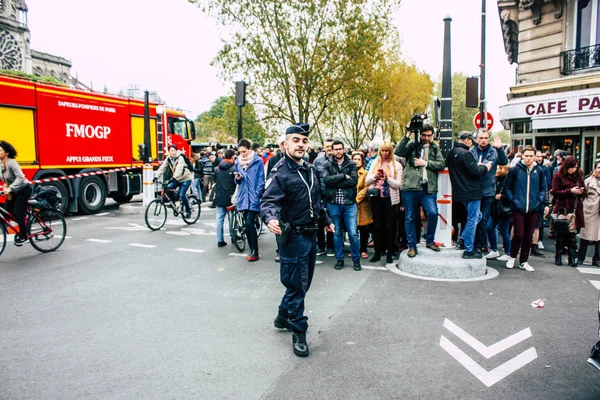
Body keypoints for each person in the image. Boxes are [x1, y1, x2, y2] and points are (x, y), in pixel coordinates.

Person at [261, 122, 334, 358]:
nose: (300, 145)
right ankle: (298, 330)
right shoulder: (280, 172)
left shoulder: (309, 169)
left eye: (303, 141)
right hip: (293, 237)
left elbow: (316, 201)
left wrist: (326, 220)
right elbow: (268, 201)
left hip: (311, 234)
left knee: (302, 283)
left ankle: (283, 316)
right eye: (296, 140)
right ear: (285, 144)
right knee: (297, 285)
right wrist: (271, 218)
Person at [395, 123, 446, 258]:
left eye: (429, 135)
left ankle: (429, 240)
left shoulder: (435, 148)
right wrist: (408, 134)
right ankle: (411, 245)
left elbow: (441, 164)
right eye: (424, 135)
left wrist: (426, 163)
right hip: (410, 187)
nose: (426, 138)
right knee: (410, 217)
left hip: (428, 188)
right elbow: (399, 152)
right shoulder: (412, 145)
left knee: (433, 213)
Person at [446, 131, 490, 259]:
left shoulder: (452, 152)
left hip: (460, 192)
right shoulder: (466, 154)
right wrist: (485, 167)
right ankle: (469, 249)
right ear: (466, 140)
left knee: (477, 217)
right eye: (471, 141)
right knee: (472, 219)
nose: (472, 144)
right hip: (471, 192)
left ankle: (461, 239)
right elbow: (475, 172)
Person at [504, 146, 547, 272]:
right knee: (518, 233)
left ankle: (524, 261)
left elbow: (543, 188)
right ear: (522, 156)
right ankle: (512, 257)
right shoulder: (515, 170)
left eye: (530, 156)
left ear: (534, 156)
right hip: (519, 207)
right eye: (526, 155)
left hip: (533, 207)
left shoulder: (538, 171)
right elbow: (507, 186)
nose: (528, 158)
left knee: (529, 235)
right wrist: (513, 200)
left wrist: (539, 200)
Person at [322, 140, 360, 271]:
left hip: (349, 203)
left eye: (340, 149)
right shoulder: (327, 164)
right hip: (334, 203)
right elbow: (326, 180)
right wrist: (344, 176)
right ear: (332, 150)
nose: (338, 151)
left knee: (353, 233)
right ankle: (339, 259)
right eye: (336, 149)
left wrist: (336, 181)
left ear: (344, 150)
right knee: (337, 233)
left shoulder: (351, 164)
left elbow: (354, 181)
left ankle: (356, 259)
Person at [470, 130, 508, 257]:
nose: (483, 140)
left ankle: (479, 246)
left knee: (483, 220)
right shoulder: (472, 151)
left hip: (488, 192)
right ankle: (471, 244)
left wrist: (500, 148)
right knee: (473, 219)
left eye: (486, 138)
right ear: (477, 139)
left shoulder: (493, 151)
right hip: (473, 190)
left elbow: (504, 162)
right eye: (481, 138)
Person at [366, 141, 403, 264]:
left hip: (390, 199)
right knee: (376, 226)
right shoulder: (374, 163)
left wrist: (388, 178)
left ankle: (389, 252)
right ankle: (377, 252)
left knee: (390, 226)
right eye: (383, 150)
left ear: (391, 151)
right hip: (376, 197)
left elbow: (399, 184)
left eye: (387, 150)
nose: (385, 153)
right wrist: (375, 176)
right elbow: (367, 181)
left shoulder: (396, 165)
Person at [551, 156, 586, 267]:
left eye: (575, 167)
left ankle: (572, 258)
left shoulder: (579, 176)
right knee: (561, 234)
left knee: (572, 235)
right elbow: (555, 192)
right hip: (563, 208)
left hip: (575, 208)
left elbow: (585, 192)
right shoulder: (558, 176)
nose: (574, 170)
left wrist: (581, 191)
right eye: (572, 168)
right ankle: (559, 255)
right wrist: (570, 190)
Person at [234, 139, 265, 262]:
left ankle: (255, 251)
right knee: (247, 226)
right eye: (240, 152)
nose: (242, 154)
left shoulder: (257, 161)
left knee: (248, 222)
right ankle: (252, 249)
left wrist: (257, 194)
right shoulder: (237, 162)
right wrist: (237, 178)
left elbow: (261, 179)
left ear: (249, 149)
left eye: (244, 151)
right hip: (243, 195)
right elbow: (236, 181)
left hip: (253, 196)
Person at [0, 141, 31, 246]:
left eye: (0, 150)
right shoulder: (1, 165)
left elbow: (21, 177)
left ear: (6, 153)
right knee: (6, 212)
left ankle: (23, 234)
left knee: (18, 212)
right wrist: (6, 187)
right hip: (13, 191)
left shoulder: (12, 163)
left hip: (23, 190)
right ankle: (11, 232)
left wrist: (10, 188)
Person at [154, 144, 193, 218]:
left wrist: (173, 178)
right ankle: (173, 205)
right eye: (171, 151)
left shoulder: (180, 157)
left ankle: (188, 211)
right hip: (177, 179)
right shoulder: (168, 159)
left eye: (174, 151)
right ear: (169, 152)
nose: (173, 152)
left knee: (182, 195)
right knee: (168, 189)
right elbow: (162, 168)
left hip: (186, 178)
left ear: (176, 151)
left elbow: (179, 168)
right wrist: (156, 176)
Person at [314, 138, 335, 256]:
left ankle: (331, 246)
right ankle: (321, 246)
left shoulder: (337, 160)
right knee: (319, 220)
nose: (329, 148)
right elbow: (315, 177)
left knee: (331, 220)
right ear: (323, 147)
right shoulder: (318, 161)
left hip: (332, 194)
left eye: (331, 146)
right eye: (327, 146)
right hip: (320, 194)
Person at [578, 161, 600, 266]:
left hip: (599, 212)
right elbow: (582, 194)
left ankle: (597, 259)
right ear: (594, 168)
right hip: (589, 210)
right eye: (598, 167)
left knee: (599, 237)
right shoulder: (588, 180)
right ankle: (580, 258)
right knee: (585, 236)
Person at [213, 149, 236, 248]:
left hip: (219, 196)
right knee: (232, 217)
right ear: (232, 157)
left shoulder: (216, 169)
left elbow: (215, 181)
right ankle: (233, 235)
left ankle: (220, 240)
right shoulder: (234, 168)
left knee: (219, 219)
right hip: (230, 196)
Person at [353, 151, 372, 259]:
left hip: (362, 204)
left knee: (364, 228)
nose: (356, 161)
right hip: (351, 204)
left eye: (358, 159)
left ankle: (363, 249)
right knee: (353, 229)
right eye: (354, 159)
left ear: (362, 161)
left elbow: (366, 188)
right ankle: (354, 249)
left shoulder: (365, 173)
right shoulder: (349, 172)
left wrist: (357, 198)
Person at [491, 165, 512, 261]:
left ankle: (508, 252)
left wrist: (501, 197)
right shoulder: (496, 179)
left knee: (504, 231)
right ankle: (494, 249)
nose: (497, 170)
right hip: (495, 208)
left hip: (503, 209)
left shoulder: (507, 181)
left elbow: (510, 195)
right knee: (489, 227)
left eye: (499, 168)